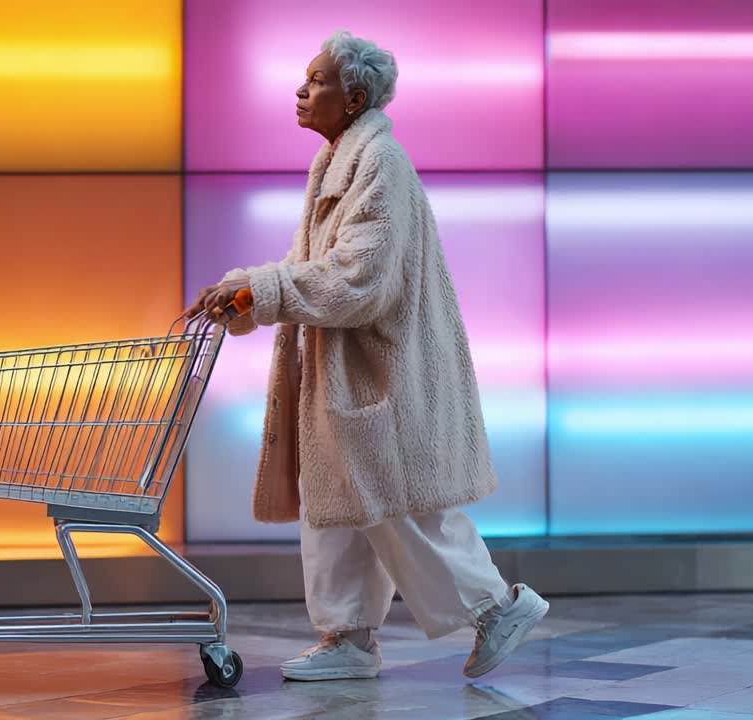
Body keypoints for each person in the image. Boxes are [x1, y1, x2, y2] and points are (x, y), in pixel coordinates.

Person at [186, 30, 548, 682]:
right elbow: (310, 265)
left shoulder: (382, 164)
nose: (301, 91)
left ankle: (498, 607)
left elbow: (361, 280)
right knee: (340, 508)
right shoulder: (337, 162)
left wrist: (261, 291)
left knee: (399, 506)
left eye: (317, 80)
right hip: (345, 374)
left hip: (384, 371)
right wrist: (243, 292)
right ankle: (348, 637)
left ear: (354, 97)